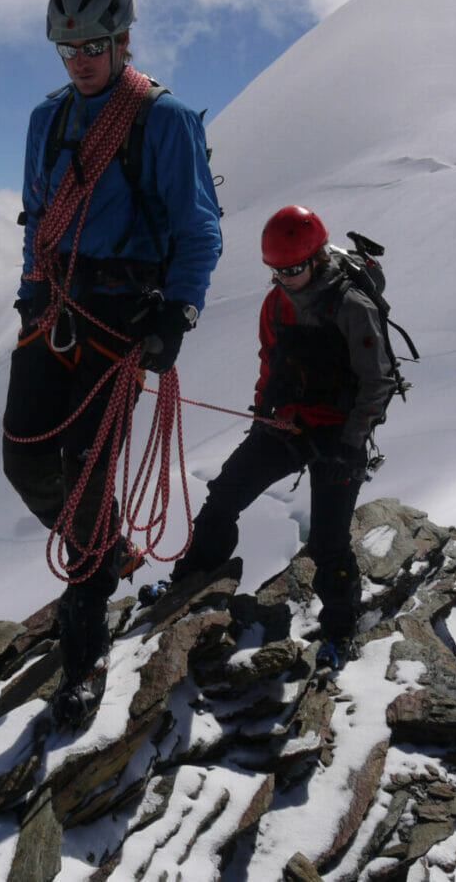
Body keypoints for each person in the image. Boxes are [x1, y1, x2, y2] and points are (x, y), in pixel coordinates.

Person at [2, 0, 222, 727]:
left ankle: (86, 642)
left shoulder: (164, 121)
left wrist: (178, 313)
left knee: (86, 471)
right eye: (67, 47)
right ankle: (108, 549)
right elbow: (37, 212)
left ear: (124, 39)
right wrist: (33, 288)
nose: (80, 59)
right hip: (57, 303)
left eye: (93, 44)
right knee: (22, 456)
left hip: (121, 319)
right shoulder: (49, 117)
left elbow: (198, 228)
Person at [171, 205, 396, 669]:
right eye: (277, 270)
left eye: (293, 268)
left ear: (316, 258)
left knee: (329, 542)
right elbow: (270, 364)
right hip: (290, 423)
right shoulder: (276, 301)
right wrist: (264, 419)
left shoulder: (351, 305)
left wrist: (352, 445)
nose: (286, 278)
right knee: (224, 495)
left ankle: (340, 629)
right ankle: (189, 584)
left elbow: (378, 381)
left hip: (339, 434)